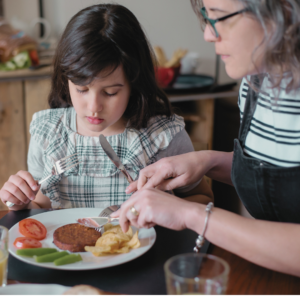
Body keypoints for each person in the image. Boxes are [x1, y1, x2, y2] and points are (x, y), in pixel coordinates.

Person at [112, 0, 300, 277]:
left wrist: (190, 214)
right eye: (206, 18)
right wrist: (207, 161)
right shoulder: (256, 83)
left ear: (283, 11)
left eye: (219, 18)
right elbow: (280, 173)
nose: (208, 35)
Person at [0, 4, 213, 210]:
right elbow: (40, 206)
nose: (94, 107)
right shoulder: (47, 132)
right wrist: (21, 202)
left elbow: (203, 198)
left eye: (110, 92)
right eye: (82, 89)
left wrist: (169, 208)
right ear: (66, 80)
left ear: (134, 83)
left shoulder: (164, 136)